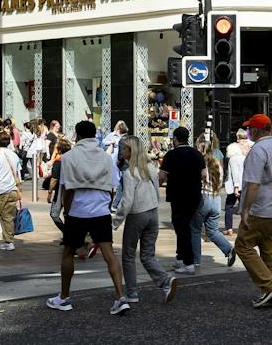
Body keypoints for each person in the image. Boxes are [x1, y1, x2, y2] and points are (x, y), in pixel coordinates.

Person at [46, 119, 129, 315]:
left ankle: (64, 297)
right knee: (109, 254)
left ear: (78, 135)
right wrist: (106, 205)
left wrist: (67, 212)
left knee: (68, 253)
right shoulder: (106, 158)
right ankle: (120, 297)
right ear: (94, 135)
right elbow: (112, 188)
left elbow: (67, 189)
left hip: (78, 211)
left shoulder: (69, 157)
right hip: (100, 211)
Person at [232, 113, 272, 309]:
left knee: (243, 246)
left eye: (249, 129)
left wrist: (245, 209)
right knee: (269, 250)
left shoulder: (257, 150)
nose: (248, 132)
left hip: (260, 208)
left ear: (256, 130)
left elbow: (253, 184)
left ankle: (269, 286)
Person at [113, 135, 176, 306]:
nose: (122, 152)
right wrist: (153, 204)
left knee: (128, 255)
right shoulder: (151, 167)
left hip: (137, 215)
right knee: (147, 255)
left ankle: (132, 293)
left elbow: (127, 201)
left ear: (130, 151)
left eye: (124, 149)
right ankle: (165, 281)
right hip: (152, 213)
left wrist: (115, 222)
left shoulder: (129, 173)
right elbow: (156, 191)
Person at [158, 126, 204, 274]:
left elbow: (162, 176)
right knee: (184, 226)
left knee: (182, 228)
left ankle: (188, 263)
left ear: (175, 139)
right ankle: (180, 258)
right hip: (194, 195)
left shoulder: (171, 155)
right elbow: (204, 175)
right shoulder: (197, 154)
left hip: (178, 196)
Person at [194, 153, 234, 263]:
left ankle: (195, 260)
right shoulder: (218, 167)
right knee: (213, 231)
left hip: (204, 197)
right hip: (216, 198)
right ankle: (228, 249)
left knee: (195, 230)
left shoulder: (201, 166)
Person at [223, 128, 251, 233]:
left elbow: (235, 173)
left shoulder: (233, 156)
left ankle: (229, 228)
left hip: (235, 186)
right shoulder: (246, 155)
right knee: (244, 207)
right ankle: (245, 227)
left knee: (229, 206)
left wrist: (236, 187)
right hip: (244, 184)